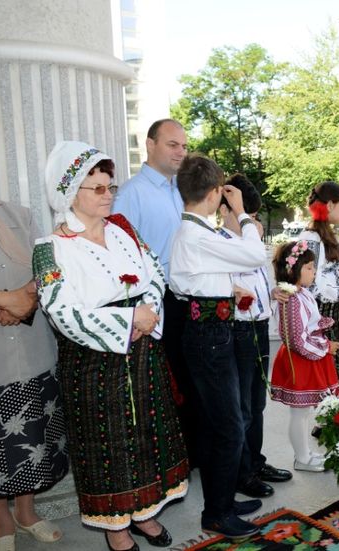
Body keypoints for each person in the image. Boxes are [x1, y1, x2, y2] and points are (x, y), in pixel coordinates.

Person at [34, 142, 188, 550]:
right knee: (108, 447)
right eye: (96, 188)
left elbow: (154, 274)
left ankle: (146, 515)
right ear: (69, 193)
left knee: (147, 437)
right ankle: (116, 529)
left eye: (110, 187)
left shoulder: (123, 230)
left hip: (143, 353)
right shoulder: (49, 248)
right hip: (93, 364)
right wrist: (127, 320)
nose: (107, 195)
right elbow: (62, 311)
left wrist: (149, 312)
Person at [0, 144, 68, 551]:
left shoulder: (20, 215)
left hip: (33, 348)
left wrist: (23, 300)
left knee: (33, 438)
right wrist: (4, 299)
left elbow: (47, 267)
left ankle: (28, 513)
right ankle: (2, 522)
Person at [170, 154, 267, 539]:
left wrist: (226, 287)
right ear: (215, 193)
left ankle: (221, 499)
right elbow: (255, 255)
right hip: (209, 337)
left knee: (217, 425)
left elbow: (186, 280)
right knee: (228, 427)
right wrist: (242, 214)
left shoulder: (192, 234)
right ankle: (217, 513)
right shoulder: (197, 234)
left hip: (210, 332)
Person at [112, 119, 198, 466]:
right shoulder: (130, 195)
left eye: (184, 146)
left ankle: (193, 454)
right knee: (166, 385)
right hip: (156, 303)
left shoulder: (184, 190)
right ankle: (172, 460)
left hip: (189, 299)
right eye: (172, 144)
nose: (180, 152)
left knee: (191, 380)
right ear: (150, 144)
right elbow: (120, 253)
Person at [216, 174, 292, 500]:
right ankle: (241, 473)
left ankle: (255, 462)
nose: (255, 222)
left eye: (256, 216)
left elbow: (256, 283)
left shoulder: (249, 243)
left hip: (258, 327)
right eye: (248, 214)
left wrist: (271, 293)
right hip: (240, 330)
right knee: (243, 407)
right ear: (227, 209)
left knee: (258, 403)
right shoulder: (219, 243)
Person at [270, 241, 339, 472]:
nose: (314, 272)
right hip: (301, 360)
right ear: (293, 269)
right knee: (299, 413)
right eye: (309, 267)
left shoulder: (301, 293)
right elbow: (296, 340)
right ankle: (302, 458)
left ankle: (306, 454)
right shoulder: (291, 297)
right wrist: (325, 346)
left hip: (309, 357)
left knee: (305, 411)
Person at [300, 182, 339, 386]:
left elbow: (328, 269)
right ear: (329, 206)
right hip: (325, 321)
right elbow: (308, 283)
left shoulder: (325, 234)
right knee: (329, 392)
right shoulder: (311, 238)